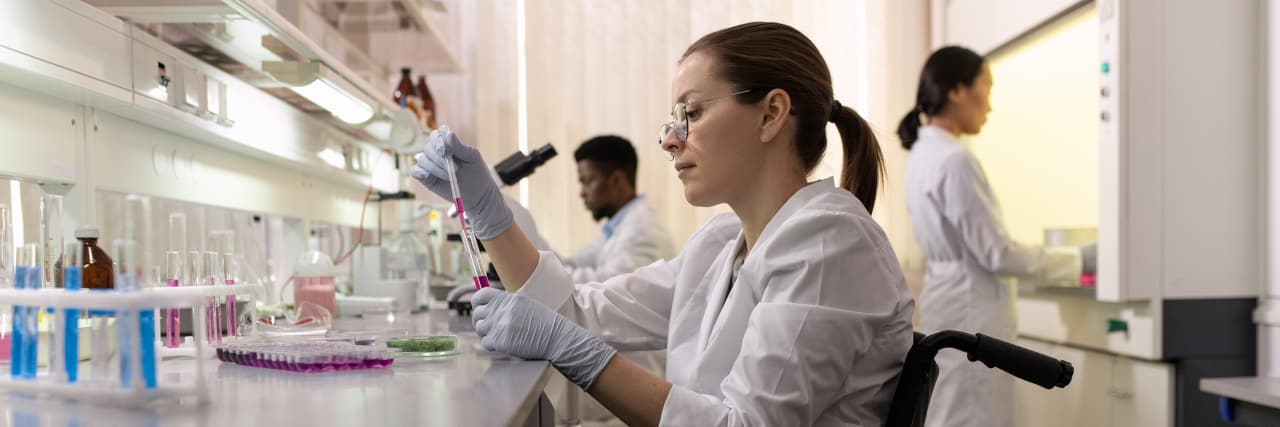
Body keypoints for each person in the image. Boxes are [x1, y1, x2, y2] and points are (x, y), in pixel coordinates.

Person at [413, 22, 913, 426]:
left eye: (691, 112)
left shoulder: (830, 242)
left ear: (771, 114)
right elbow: (575, 310)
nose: (670, 139)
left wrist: (574, 351)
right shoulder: (722, 244)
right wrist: (485, 212)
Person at [898, 45, 1097, 427]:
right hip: (973, 309)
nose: (989, 104)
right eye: (986, 88)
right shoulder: (955, 160)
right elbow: (997, 253)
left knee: (950, 411)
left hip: (950, 301)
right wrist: (1080, 259)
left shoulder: (923, 154)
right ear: (957, 91)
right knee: (972, 415)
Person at [564, 135, 675, 283]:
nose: (582, 193)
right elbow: (572, 264)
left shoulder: (642, 229)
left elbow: (609, 288)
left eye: (587, 181)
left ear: (616, 180)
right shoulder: (614, 228)